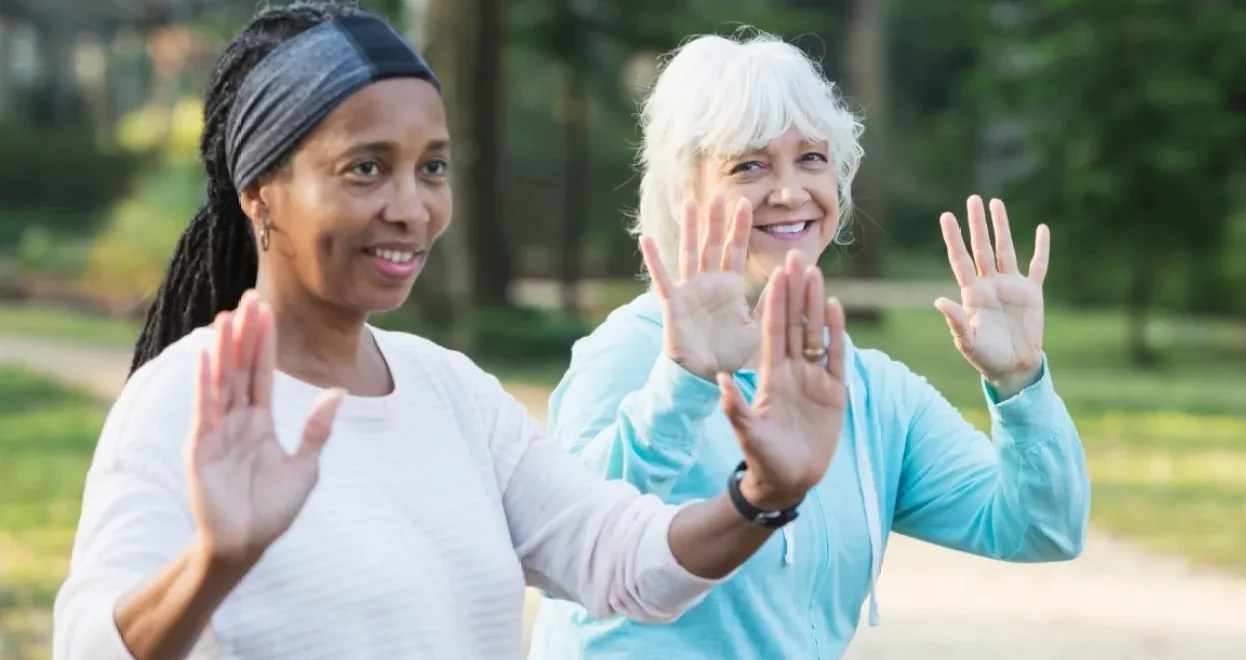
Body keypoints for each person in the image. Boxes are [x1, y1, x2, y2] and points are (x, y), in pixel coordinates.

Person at [50, 6, 853, 659]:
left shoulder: (450, 391)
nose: (412, 207)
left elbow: (619, 558)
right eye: (366, 167)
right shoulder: (181, 400)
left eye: (431, 167)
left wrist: (762, 497)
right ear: (261, 192)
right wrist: (212, 564)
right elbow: (90, 645)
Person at [526, 30, 1092, 659]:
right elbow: (568, 556)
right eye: (750, 165)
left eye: (813, 159)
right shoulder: (628, 355)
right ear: (689, 192)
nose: (791, 191)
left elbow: (1043, 529)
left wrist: (1021, 385)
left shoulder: (871, 392)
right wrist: (682, 382)